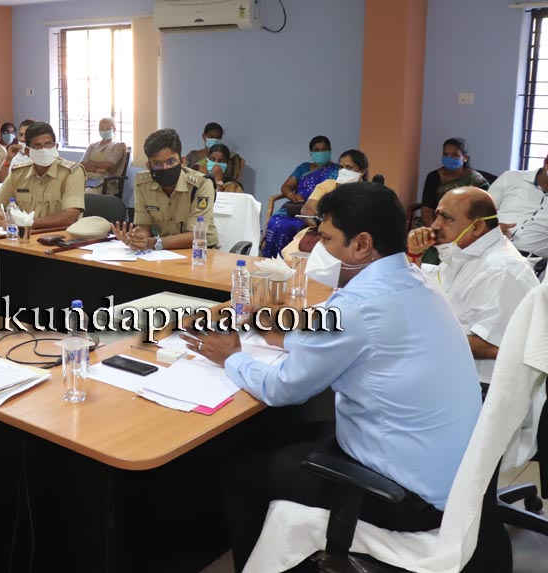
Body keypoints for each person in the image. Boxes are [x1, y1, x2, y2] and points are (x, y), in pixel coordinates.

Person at [181, 182, 481, 571]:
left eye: (326, 238)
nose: (317, 248)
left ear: (362, 245)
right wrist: (281, 334)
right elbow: (351, 341)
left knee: (243, 476)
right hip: (448, 479)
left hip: (404, 496)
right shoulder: (415, 281)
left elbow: (281, 388)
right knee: (281, 438)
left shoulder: (357, 305)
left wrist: (231, 356)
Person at [406, 187, 539, 383]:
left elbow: (490, 345)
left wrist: (423, 338)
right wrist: (414, 255)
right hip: (451, 373)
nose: (435, 226)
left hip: (482, 385)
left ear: (477, 227)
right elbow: (427, 290)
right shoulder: (463, 252)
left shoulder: (501, 269)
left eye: (446, 218)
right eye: (437, 215)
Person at [110, 128, 218, 251]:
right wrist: (137, 239)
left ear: (183, 161)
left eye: (171, 161)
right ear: (148, 166)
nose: (165, 168)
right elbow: (144, 227)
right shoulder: (143, 183)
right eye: (157, 164)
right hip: (164, 251)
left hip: (202, 251)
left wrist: (153, 243)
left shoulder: (202, 184)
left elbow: (197, 235)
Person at [0, 122, 85, 231]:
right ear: (28, 151)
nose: (44, 150)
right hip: (23, 237)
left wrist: (27, 222)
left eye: (48, 144)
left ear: (56, 147)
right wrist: (0, 217)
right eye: (37, 146)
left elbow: (70, 216)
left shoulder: (72, 172)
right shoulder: (19, 173)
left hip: (60, 237)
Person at [280, 149, 369, 258]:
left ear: (362, 171)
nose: (344, 171)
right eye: (341, 167)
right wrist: (322, 222)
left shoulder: (369, 193)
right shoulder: (328, 185)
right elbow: (307, 209)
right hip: (322, 232)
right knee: (290, 254)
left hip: (351, 238)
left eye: (349, 168)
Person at [260, 135, 339, 257]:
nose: (321, 152)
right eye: (317, 150)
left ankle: (290, 259)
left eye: (324, 149)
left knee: (292, 225)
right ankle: (271, 259)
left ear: (330, 150)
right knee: (275, 222)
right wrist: (292, 195)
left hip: (316, 211)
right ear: (311, 153)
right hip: (297, 207)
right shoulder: (304, 168)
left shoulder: (336, 170)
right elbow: (286, 187)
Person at [420, 137, 489, 227]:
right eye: (446, 154)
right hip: (437, 225)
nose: (449, 158)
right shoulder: (433, 177)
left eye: (455, 155)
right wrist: (434, 231)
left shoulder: (476, 179)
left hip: (467, 227)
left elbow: (486, 208)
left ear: (465, 158)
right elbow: (427, 210)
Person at [487, 154, 547, 237]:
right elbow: (480, 214)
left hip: (530, 245)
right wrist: (492, 229)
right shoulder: (510, 177)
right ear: (546, 163)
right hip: (492, 240)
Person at [79, 117, 127, 195]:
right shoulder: (92, 145)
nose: (104, 131)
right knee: (69, 193)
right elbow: (82, 164)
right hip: (87, 180)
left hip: (105, 184)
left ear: (114, 129)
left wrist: (92, 163)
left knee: (84, 195)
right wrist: (97, 169)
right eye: (101, 129)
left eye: (107, 129)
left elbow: (109, 165)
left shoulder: (118, 145)